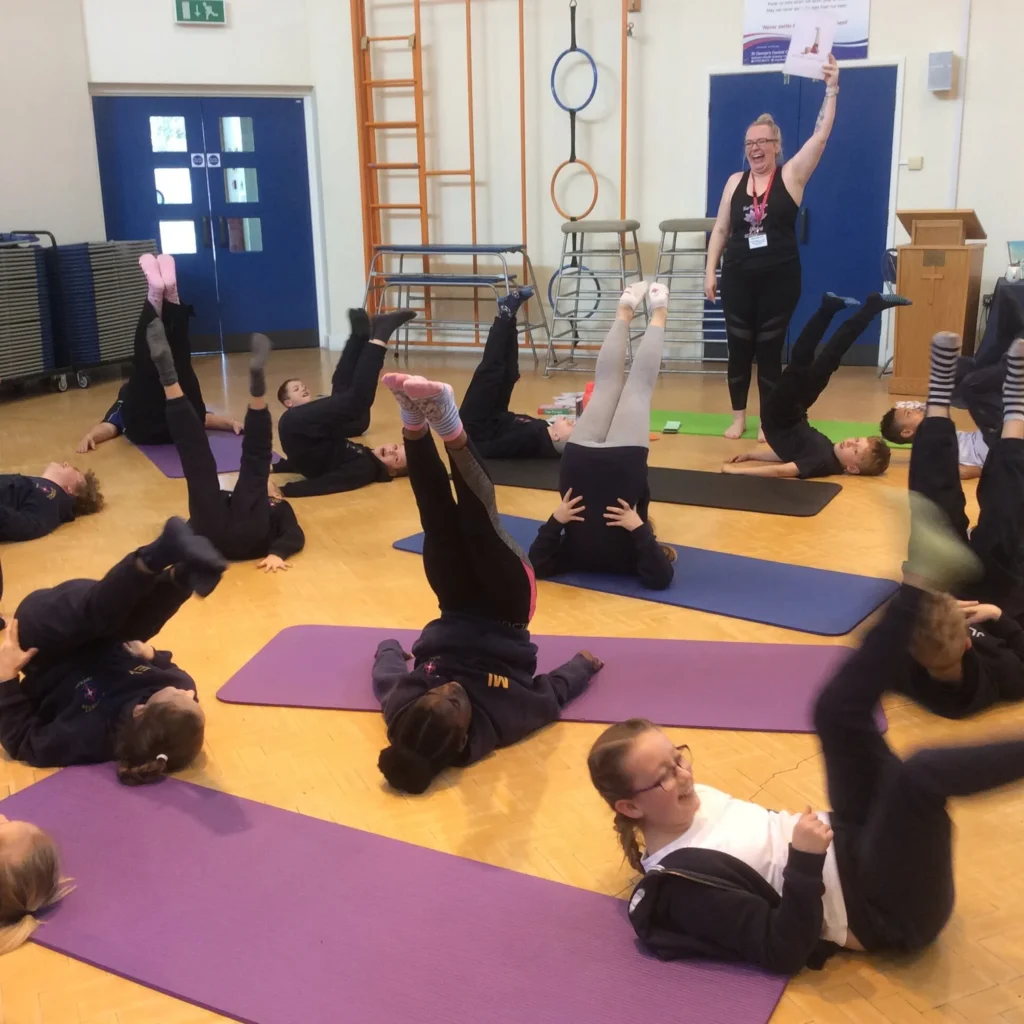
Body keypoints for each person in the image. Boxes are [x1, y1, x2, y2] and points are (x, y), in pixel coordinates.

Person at [587, 509, 1024, 976]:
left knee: (835, 712)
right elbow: (782, 951)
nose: (685, 774)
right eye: (665, 775)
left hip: (856, 842)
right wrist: (805, 859)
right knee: (921, 775)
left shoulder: (685, 806)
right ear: (629, 807)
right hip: (885, 910)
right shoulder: (680, 881)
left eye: (679, 759)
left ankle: (916, 586)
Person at [371, 369, 603, 794]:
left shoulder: (401, 710)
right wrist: (582, 666)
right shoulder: (505, 721)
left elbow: (386, 677)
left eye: (437, 691)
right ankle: (447, 422)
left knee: (437, 522)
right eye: (456, 702)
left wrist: (387, 647)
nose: (452, 687)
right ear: (463, 735)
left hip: (453, 605)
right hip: (506, 610)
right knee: (479, 521)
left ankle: (413, 421)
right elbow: (550, 694)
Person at [0, 517, 225, 783]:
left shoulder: (87, 736)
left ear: (140, 711)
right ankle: (184, 576)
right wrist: (151, 654)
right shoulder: (176, 696)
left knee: (94, 618)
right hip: (105, 636)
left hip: (43, 645)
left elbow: (23, 740)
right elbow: (174, 673)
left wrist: (5, 678)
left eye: (183, 695)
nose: (189, 691)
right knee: (133, 629)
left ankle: (156, 555)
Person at [704, 55, 840, 440]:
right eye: (750, 143)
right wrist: (710, 269)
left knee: (769, 349)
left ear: (777, 146)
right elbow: (720, 229)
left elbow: (821, 135)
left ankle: (767, 419)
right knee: (738, 347)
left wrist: (831, 89)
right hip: (738, 278)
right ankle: (737, 417)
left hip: (779, 279)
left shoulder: (793, 175)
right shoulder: (734, 181)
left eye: (763, 141)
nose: (755, 148)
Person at [896, 333, 1024, 718]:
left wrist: (929, 603)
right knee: (1008, 508)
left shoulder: (903, 671)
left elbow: (897, 619)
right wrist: (996, 617)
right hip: (1003, 593)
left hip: (943, 585)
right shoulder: (1007, 677)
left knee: (931, 505)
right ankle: (1016, 405)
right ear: (969, 645)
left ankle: (939, 392)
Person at [527, 283, 676, 591]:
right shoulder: (633, 558)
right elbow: (661, 579)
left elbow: (537, 563)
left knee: (607, 385)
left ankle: (624, 309)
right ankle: (659, 312)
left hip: (579, 464)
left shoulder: (569, 558)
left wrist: (557, 519)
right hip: (623, 466)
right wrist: (638, 529)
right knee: (637, 388)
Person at [145, 319, 304, 572]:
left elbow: (295, 535)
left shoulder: (278, 505)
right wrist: (276, 551)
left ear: (275, 494)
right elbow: (294, 535)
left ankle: (170, 377)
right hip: (235, 534)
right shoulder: (278, 507)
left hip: (220, 534)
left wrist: (277, 553)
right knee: (202, 461)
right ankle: (254, 392)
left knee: (220, 462)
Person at [722, 292, 905, 479]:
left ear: (852, 468)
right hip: (796, 410)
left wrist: (739, 471)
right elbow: (790, 453)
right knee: (830, 358)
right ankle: (871, 307)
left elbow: (784, 470)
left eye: (856, 451)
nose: (850, 443)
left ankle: (827, 309)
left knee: (801, 360)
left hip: (777, 414)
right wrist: (752, 455)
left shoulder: (822, 462)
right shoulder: (829, 452)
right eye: (857, 440)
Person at [75, 255, 240, 453]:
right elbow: (204, 417)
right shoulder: (128, 393)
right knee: (175, 365)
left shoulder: (126, 398)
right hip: (179, 427)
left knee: (176, 361)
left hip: (149, 428)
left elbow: (109, 426)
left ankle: (162, 295)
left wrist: (91, 435)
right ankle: (166, 295)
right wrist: (229, 423)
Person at [272, 307, 416, 496]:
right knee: (344, 394)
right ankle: (359, 337)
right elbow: (317, 459)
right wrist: (278, 467)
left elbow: (331, 483)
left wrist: (285, 491)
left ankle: (381, 334)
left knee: (357, 404)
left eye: (396, 458)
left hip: (298, 429)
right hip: (306, 433)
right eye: (396, 447)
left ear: (391, 471)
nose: (390, 451)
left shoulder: (365, 469)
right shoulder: (365, 454)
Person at [878, 294, 1024, 470]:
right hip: (999, 446)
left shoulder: (936, 432)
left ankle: (1012, 337)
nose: (915, 409)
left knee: (963, 372)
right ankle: (1014, 361)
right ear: (907, 432)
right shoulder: (928, 450)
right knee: (972, 387)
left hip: (994, 434)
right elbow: (964, 471)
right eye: (909, 414)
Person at [459, 288, 574, 460]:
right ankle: (509, 315)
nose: (570, 422)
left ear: (557, 437)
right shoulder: (544, 431)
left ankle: (504, 316)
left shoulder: (534, 440)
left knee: (492, 371)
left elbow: (494, 449)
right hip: (494, 418)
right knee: (510, 373)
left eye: (570, 427)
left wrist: (463, 444)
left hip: (476, 429)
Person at [0, 463, 103, 542]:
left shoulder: (51, 496)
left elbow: (29, 526)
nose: (66, 463)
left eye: (74, 470)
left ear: (71, 490)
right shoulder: (44, 490)